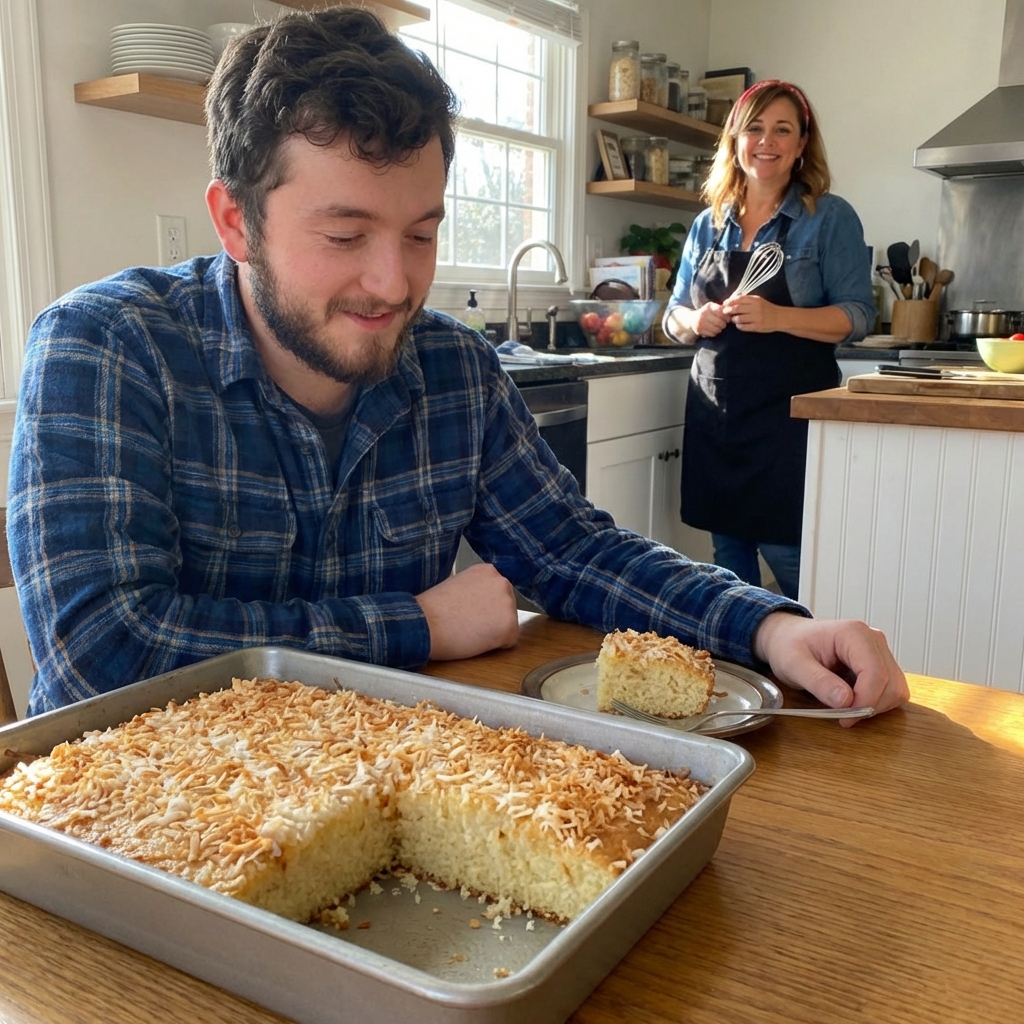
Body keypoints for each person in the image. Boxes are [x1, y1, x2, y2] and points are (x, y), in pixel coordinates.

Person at [6, 10, 908, 723]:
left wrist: (774, 624)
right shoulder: (107, 349)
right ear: (237, 221)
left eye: (423, 233)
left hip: (374, 799)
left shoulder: (452, 369)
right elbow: (101, 652)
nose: (392, 284)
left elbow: (577, 551)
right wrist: (421, 626)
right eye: (345, 234)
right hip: (129, 835)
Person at [663, 80, 875, 601]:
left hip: (788, 418)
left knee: (791, 557)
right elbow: (671, 315)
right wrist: (697, 320)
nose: (767, 141)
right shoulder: (706, 224)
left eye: (783, 129)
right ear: (735, 139)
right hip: (718, 414)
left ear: (802, 144)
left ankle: (816, 666)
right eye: (755, 128)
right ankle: (747, 675)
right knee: (728, 561)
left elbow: (858, 316)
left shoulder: (829, 217)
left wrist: (779, 316)